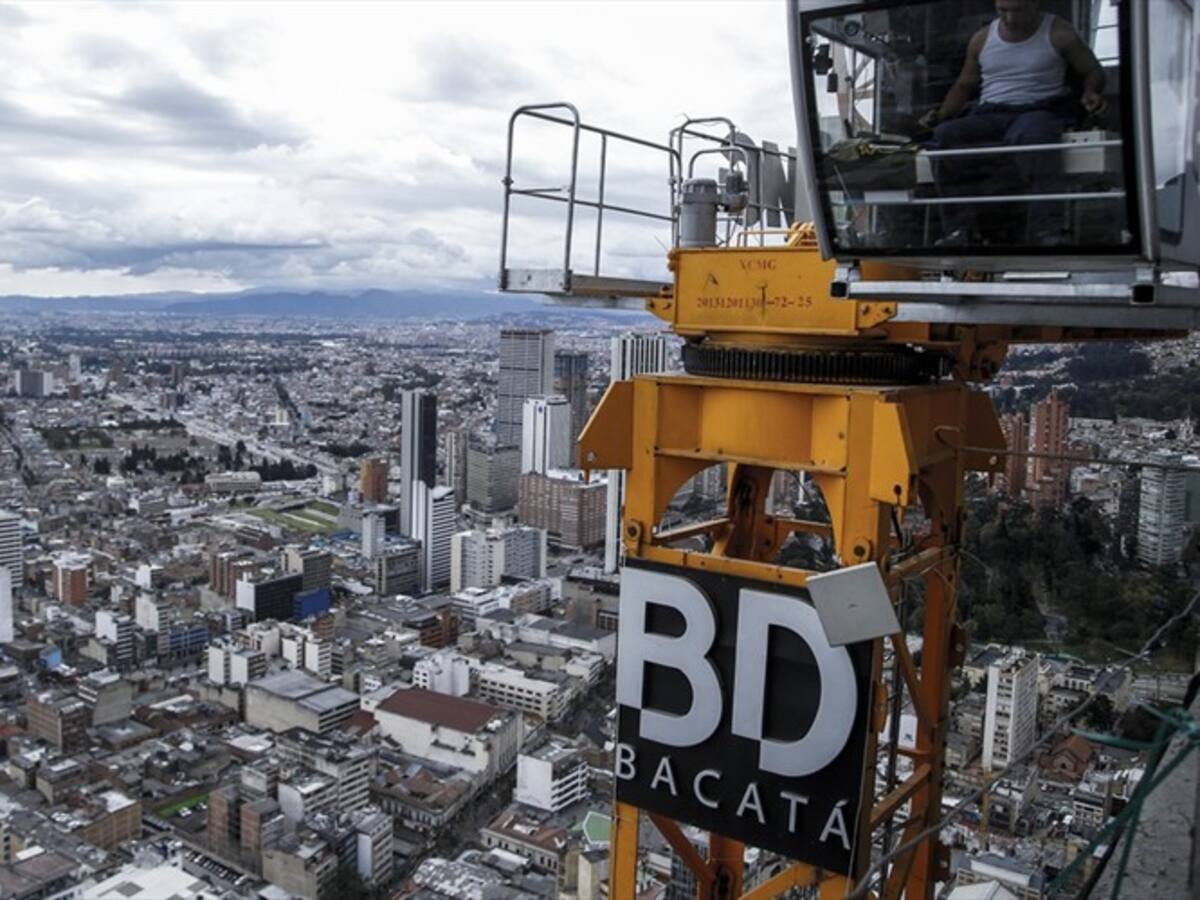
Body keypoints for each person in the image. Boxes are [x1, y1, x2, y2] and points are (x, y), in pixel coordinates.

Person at [922, 0, 1107, 245]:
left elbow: (1093, 70)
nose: (1009, 18)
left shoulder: (1059, 32)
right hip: (990, 113)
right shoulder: (981, 38)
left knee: (1035, 137)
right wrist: (940, 116)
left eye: (1017, 10)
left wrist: (1090, 92)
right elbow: (964, 85)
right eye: (1002, 10)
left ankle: (1047, 230)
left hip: (1038, 109)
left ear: (1035, 5)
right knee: (945, 136)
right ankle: (958, 232)